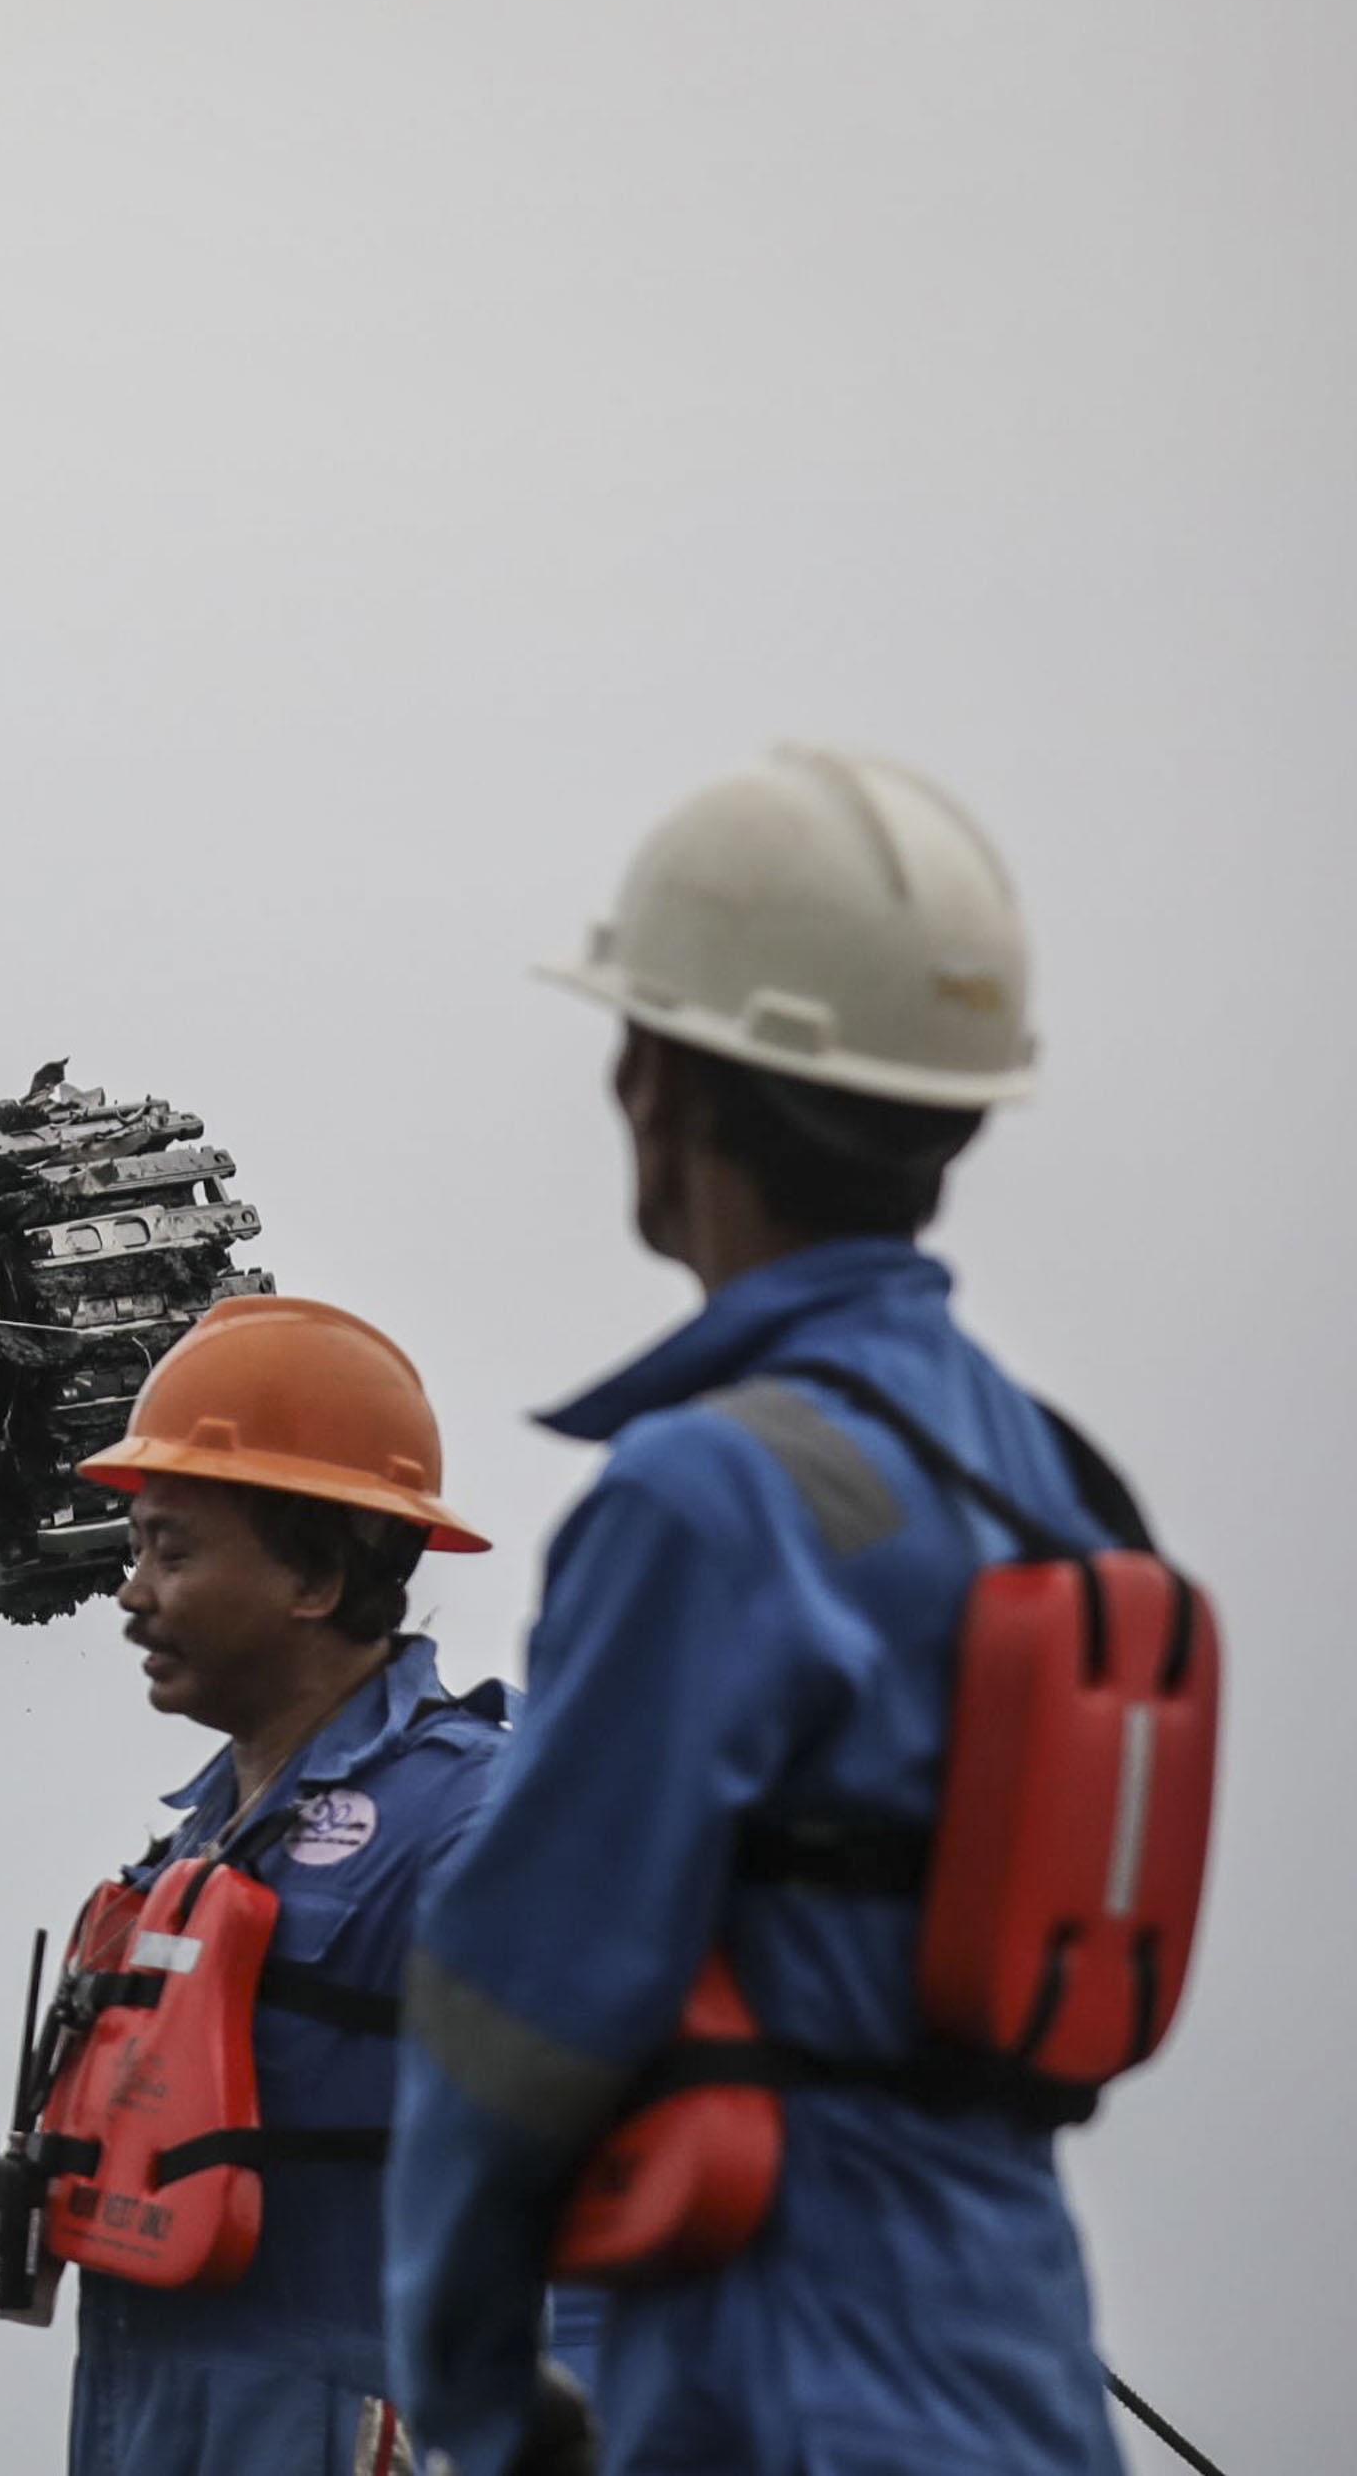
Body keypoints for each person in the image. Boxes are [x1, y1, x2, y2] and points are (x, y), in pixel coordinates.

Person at [389, 747, 1128, 2474]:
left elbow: (514, 2019)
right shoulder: (1042, 1473)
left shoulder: (706, 1499)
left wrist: (483, 2408)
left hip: (782, 2394)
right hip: (1019, 2376)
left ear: (666, 1078)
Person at [42, 1293, 534, 2474]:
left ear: (314, 1578)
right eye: (132, 1548)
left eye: (172, 1549)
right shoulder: (192, 1850)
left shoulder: (471, 1822)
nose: (130, 1593)